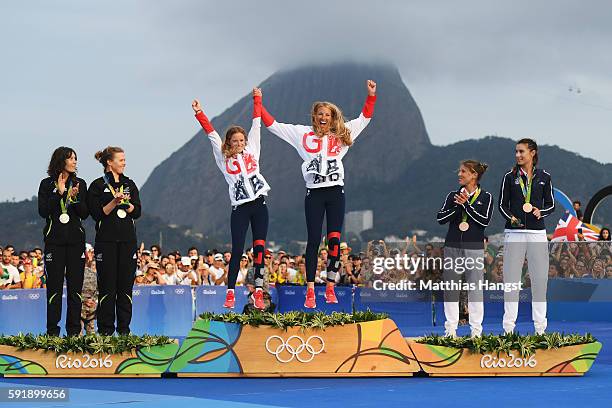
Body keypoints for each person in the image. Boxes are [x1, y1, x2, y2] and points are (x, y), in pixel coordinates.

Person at [261, 80, 377, 307]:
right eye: (320, 114)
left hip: (335, 193)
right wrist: (258, 104)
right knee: (314, 240)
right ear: (314, 117)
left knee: (334, 240)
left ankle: (331, 287)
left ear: (333, 118)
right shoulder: (302, 134)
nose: (324, 118)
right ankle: (311, 289)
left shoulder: (341, 134)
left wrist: (371, 96)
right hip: (314, 194)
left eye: (328, 115)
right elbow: (273, 125)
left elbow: (365, 118)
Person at [192, 88, 269, 309]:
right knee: (237, 250)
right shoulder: (222, 157)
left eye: (241, 140)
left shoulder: (253, 149)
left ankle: (258, 291)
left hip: (259, 205)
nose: (238, 143)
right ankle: (231, 292)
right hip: (240, 208)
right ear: (229, 143)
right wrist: (200, 114)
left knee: (260, 249)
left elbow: (257, 123)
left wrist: (258, 99)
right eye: (234, 141)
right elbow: (212, 135)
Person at [498, 138, 554, 334]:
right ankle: (508, 330)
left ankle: (540, 330)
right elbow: (501, 205)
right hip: (514, 234)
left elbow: (551, 205)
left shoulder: (544, 177)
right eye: (516, 152)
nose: (518, 155)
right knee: (511, 282)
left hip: (537, 233)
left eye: (521, 151)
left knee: (539, 281)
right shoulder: (509, 176)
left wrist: (542, 212)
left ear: (533, 153)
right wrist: (511, 217)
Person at [87, 146, 141, 335]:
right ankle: (105, 332)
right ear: (110, 162)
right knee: (108, 289)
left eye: (125, 160)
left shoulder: (130, 184)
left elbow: (138, 211)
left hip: (128, 242)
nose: (124, 163)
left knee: (125, 289)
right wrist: (114, 202)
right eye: (121, 160)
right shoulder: (97, 185)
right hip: (106, 242)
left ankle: (125, 331)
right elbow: (96, 214)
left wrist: (126, 203)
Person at [437, 160, 492, 337]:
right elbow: (440, 218)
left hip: (474, 247)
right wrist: (458, 206)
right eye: (459, 171)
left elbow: (484, 221)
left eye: (463, 171)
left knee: (475, 289)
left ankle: (476, 331)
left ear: (474, 175)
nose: (459, 174)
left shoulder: (486, 197)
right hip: (452, 245)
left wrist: (467, 205)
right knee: (451, 288)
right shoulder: (452, 196)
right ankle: (450, 330)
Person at [37, 146, 88, 336]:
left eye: (76, 158)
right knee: (54, 290)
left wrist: (73, 199)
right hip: (54, 243)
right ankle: (52, 333)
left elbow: (85, 213)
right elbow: (43, 212)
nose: (75, 161)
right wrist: (58, 193)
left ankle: (74, 333)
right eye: (71, 158)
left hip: (76, 243)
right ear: (61, 161)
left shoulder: (80, 183)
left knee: (75, 291)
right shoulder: (45, 184)